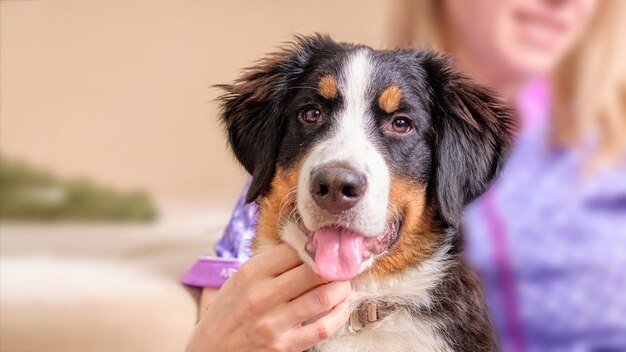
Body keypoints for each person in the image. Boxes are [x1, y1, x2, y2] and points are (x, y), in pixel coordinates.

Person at [185, 1, 626, 351]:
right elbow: (224, 323)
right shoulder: (275, 202)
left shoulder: (598, 153)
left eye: (400, 124)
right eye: (313, 113)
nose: (340, 174)